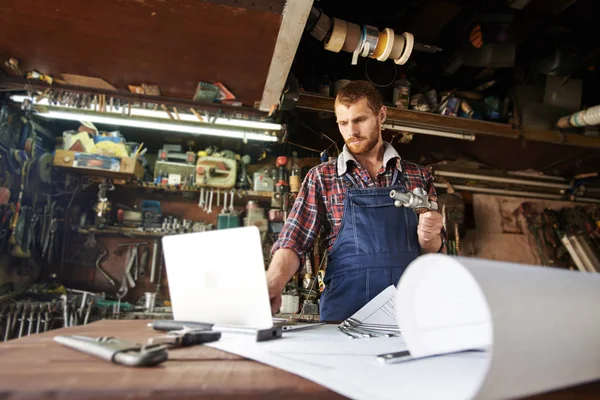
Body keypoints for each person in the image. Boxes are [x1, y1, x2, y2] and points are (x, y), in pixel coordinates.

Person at [266, 80, 445, 322]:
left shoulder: (418, 176)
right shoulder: (322, 178)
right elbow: (294, 239)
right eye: (343, 123)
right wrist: (272, 285)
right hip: (344, 315)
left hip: (409, 313)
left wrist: (430, 239)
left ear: (381, 115)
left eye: (360, 120)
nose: (351, 131)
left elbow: (433, 253)